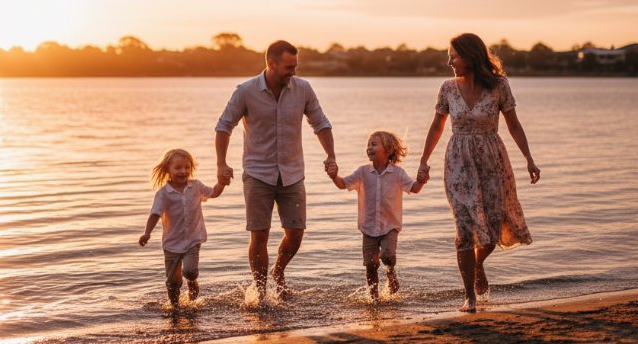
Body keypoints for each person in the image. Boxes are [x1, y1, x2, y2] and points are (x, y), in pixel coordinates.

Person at [416, 33, 540, 313]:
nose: (449, 61)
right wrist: (423, 161)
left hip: (492, 160)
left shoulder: (499, 86)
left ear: (471, 57)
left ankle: (478, 263)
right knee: (464, 230)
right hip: (457, 162)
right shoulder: (447, 89)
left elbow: (514, 126)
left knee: (492, 228)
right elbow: (436, 127)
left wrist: (529, 159)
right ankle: (469, 296)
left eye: (454, 56)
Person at [215, 40, 336, 300]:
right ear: (271, 63)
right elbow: (224, 126)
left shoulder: (303, 89)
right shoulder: (245, 91)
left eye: (295, 66)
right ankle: (261, 293)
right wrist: (221, 164)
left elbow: (321, 123)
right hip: (258, 173)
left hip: (292, 173)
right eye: (288, 66)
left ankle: (278, 272)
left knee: (296, 233)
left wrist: (331, 155)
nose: (293, 71)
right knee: (259, 234)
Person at [327, 130, 426, 301]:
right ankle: (374, 298)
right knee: (371, 265)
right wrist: (334, 176)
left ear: (388, 150)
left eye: (374, 144)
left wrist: (422, 180)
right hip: (368, 227)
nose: (369, 148)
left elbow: (414, 188)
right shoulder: (363, 172)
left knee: (387, 256)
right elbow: (343, 184)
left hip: (390, 227)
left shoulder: (398, 173)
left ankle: (391, 273)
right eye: (368, 145)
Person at [139, 148, 227, 307]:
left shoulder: (196, 186)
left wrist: (221, 183)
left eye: (187, 167)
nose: (183, 171)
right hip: (172, 243)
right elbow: (155, 214)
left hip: (193, 239)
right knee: (173, 282)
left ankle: (192, 287)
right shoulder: (164, 193)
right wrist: (147, 233)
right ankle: (175, 307)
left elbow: (213, 192)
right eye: (178, 168)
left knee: (190, 271)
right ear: (168, 170)